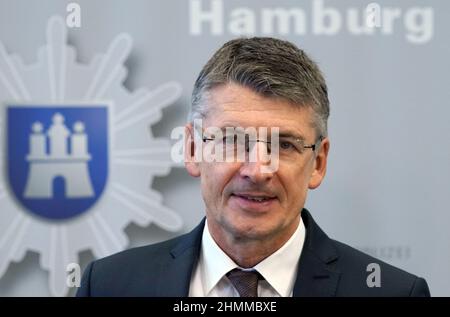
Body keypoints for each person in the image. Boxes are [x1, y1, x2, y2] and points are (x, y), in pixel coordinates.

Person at [77, 37, 430, 297]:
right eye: (232, 140)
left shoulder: (392, 293)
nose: (258, 169)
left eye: (284, 144)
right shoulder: (109, 286)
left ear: (318, 163)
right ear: (192, 148)